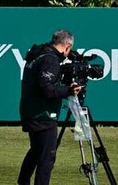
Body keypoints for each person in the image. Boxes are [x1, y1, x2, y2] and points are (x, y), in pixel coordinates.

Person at [18, 29, 83, 185]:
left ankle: (23, 181)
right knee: (47, 157)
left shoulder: (38, 54)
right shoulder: (50, 59)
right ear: (67, 46)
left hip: (31, 111)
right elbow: (46, 88)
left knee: (36, 151)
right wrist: (68, 90)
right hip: (43, 114)